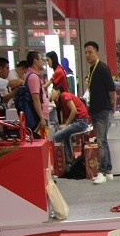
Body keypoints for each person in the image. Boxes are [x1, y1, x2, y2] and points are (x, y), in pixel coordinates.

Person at [83, 40, 116, 184]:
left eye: (90, 52)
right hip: (95, 109)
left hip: (103, 109)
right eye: (85, 53)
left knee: (101, 141)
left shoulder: (102, 68)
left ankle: (102, 171)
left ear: (97, 52)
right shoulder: (92, 69)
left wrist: (112, 105)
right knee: (103, 141)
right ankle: (108, 171)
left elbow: (111, 89)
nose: (87, 55)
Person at [49, 84, 90, 168]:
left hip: (81, 121)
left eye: (52, 91)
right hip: (79, 121)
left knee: (57, 136)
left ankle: (67, 158)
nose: (51, 93)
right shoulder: (60, 101)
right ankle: (69, 157)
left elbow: (74, 110)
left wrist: (66, 124)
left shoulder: (64, 95)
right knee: (63, 134)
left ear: (58, 91)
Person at [24, 51, 49, 138]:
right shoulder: (33, 77)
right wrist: (41, 118)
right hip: (37, 118)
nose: (42, 62)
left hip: (38, 116)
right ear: (35, 61)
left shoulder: (32, 75)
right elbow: (35, 99)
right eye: (41, 59)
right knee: (39, 140)